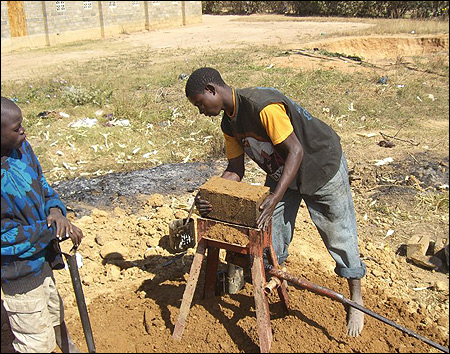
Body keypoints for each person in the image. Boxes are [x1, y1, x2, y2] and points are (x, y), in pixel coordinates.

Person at [185, 67, 367, 337]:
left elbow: (296, 150)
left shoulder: (262, 107)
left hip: (321, 164)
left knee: (338, 231)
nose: (201, 111)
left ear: (212, 89)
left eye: (200, 103)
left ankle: (355, 298)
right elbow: (235, 169)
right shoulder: (228, 125)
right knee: (270, 228)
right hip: (285, 174)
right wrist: (211, 193)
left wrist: (275, 197)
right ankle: (272, 277)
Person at [1, 96, 84, 353]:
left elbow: (45, 189)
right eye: (16, 128)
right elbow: (5, 237)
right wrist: (47, 231)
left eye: (22, 125)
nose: (23, 131)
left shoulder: (22, 150)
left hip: (44, 261)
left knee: (54, 314)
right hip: (19, 274)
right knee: (36, 342)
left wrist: (57, 213)